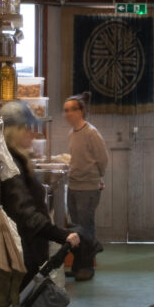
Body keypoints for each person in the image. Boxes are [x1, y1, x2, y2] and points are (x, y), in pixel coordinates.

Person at [0, 101, 81, 307]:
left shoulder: (16, 161)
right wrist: (61, 234)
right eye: (27, 128)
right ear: (13, 131)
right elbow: (25, 213)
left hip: (27, 252)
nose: (33, 134)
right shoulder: (10, 167)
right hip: (21, 254)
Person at [62, 95, 110, 280]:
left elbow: (102, 159)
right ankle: (78, 265)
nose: (67, 114)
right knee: (76, 228)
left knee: (86, 227)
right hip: (74, 185)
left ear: (81, 111)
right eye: (65, 110)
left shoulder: (91, 133)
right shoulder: (72, 133)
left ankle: (87, 267)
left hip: (88, 187)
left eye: (70, 110)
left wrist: (99, 178)